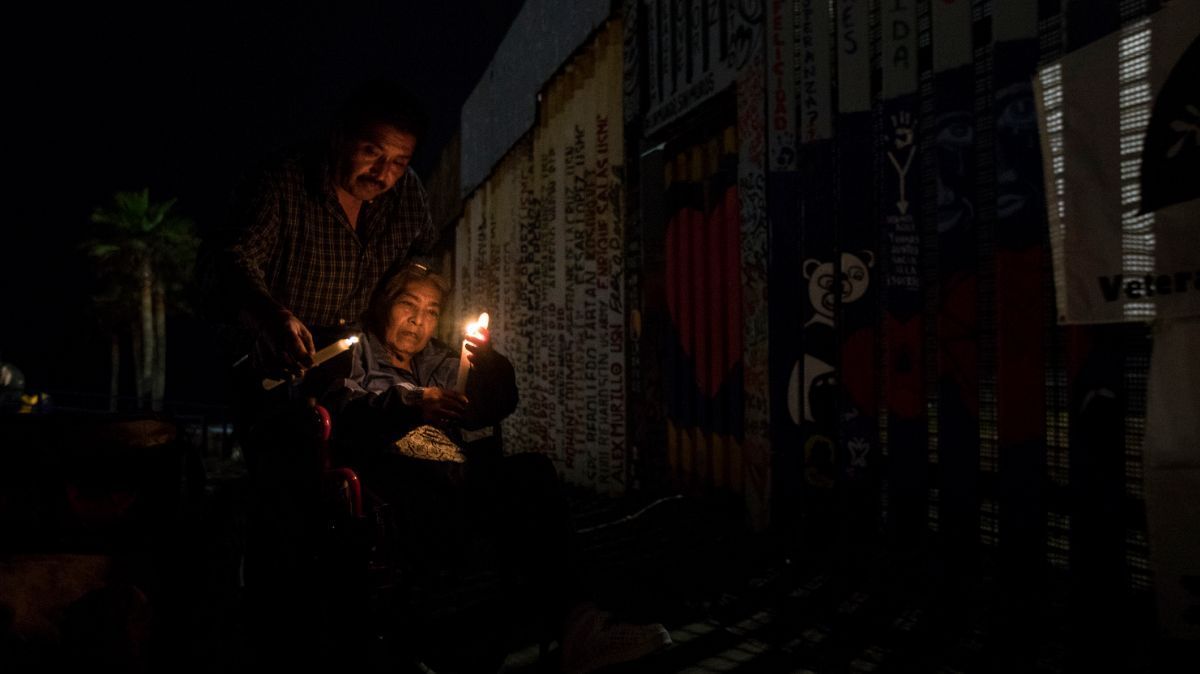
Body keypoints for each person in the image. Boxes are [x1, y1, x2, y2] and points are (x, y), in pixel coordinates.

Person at [317, 263, 672, 674]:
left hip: (457, 482)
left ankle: (579, 627)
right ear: (384, 305)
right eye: (408, 304)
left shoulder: (438, 360)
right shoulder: (354, 351)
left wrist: (486, 361)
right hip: (394, 490)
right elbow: (344, 413)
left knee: (532, 474)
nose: (419, 320)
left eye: (432, 310)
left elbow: (493, 403)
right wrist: (410, 405)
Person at [211, 78, 438, 384]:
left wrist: (411, 295)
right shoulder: (283, 182)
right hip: (278, 360)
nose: (383, 174)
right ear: (340, 136)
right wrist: (272, 317)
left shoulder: (407, 193)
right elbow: (233, 260)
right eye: (372, 152)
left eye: (399, 162)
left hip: (359, 365)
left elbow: (422, 257)